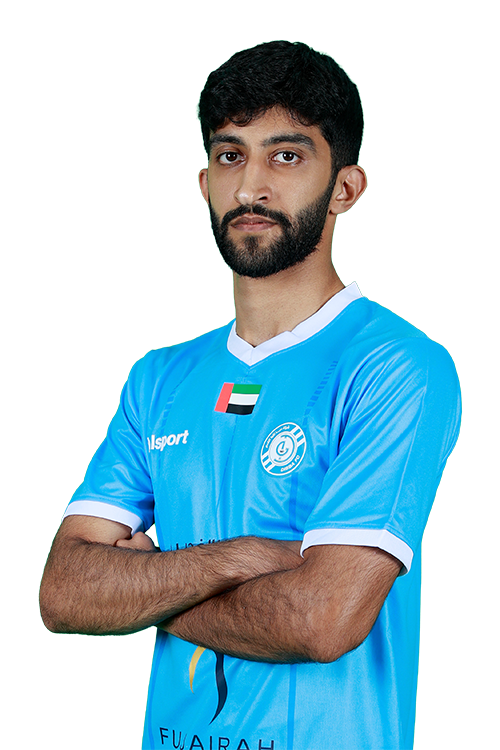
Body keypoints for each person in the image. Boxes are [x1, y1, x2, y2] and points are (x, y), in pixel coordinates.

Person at [39, 40, 462, 749]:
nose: (251, 187)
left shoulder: (396, 365)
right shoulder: (159, 377)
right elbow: (62, 594)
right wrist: (239, 559)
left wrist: (142, 589)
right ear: (205, 182)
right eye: (231, 155)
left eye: (286, 156)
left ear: (347, 188)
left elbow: (321, 620)